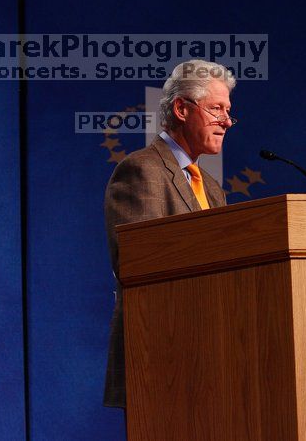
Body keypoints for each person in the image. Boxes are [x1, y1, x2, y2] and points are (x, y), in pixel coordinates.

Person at [103, 59, 237, 408]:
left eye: (228, 111)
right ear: (181, 108)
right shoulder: (141, 170)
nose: (226, 121)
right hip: (162, 353)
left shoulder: (211, 187)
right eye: (216, 109)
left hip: (214, 350)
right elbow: (139, 265)